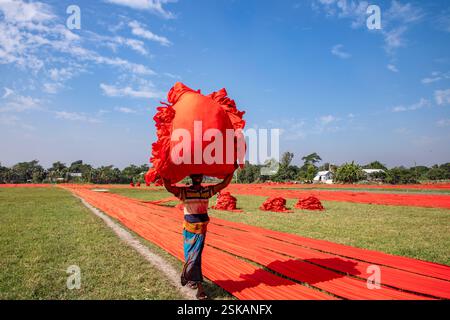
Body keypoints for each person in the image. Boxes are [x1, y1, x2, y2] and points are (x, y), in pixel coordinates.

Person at [163, 171, 235, 300]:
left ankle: (193, 281)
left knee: (194, 257)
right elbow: (169, 187)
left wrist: (233, 170)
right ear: (191, 177)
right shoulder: (184, 192)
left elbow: (224, 184)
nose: (197, 178)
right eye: (195, 176)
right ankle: (198, 287)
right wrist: (164, 173)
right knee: (193, 258)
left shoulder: (207, 191)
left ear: (202, 177)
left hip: (202, 230)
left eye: (199, 176)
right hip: (189, 230)